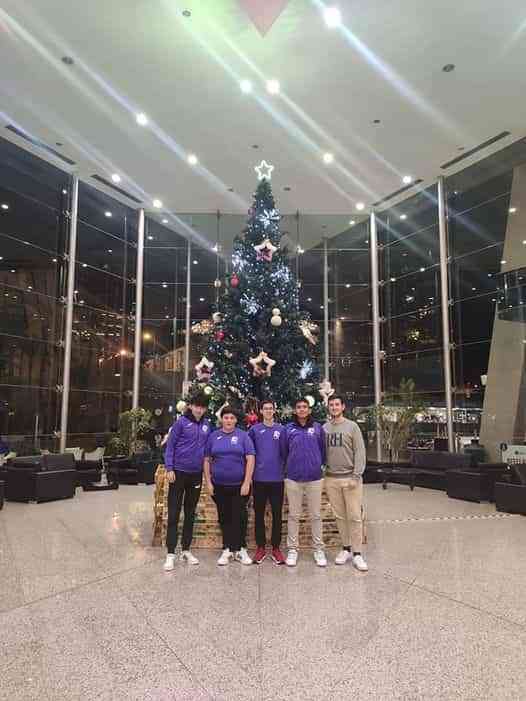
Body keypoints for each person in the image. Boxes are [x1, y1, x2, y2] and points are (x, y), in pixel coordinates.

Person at [163, 394, 211, 571]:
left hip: (195, 475)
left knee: (190, 513)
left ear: (205, 409)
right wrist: (169, 468)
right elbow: (170, 446)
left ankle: (186, 550)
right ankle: (170, 553)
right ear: (190, 406)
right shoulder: (181, 423)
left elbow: (208, 450)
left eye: (202, 407)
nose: (199, 410)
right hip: (178, 473)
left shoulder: (207, 425)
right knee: (174, 513)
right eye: (196, 406)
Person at [204, 406, 255, 566]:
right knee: (224, 517)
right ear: (222, 419)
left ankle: (240, 549)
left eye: (232, 418)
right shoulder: (213, 436)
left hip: (239, 486)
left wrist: (246, 482)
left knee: (240, 517)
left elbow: (250, 459)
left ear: (236, 420)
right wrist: (208, 482)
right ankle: (227, 549)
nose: (229, 420)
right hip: (219, 485)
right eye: (226, 417)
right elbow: (207, 460)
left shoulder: (243, 436)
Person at [281, 398, 327, 567]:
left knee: (316, 515)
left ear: (309, 410)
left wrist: (318, 466)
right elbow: (283, 452)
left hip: (314, 478)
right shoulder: (288, 429)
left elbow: (323, 451)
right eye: (299, 407)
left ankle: (318, 549)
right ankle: (293, 549)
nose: (301, 409)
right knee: (294, 515)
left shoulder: (317, 428)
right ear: (295, 410)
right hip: (293, 478)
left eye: (304, 407)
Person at [324, 395, 368, 572]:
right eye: (331, 405)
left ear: (343, 407)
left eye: (337, 404)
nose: (334, 407)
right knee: (340, 516)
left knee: (354, 516)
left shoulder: (352, 427)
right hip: (331, 479)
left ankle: (357, 553)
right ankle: (346, 549)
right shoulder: (324, 428)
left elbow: (360, 452)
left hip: (350, 478)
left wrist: (356, 476)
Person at [248, 400, 286, 565]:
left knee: (277, 515)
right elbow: (249, 453)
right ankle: (261, 547)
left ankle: (276, 548)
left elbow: (285, 452)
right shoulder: (254, 430)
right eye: (266, 409)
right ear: (261, 411)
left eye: (271, 408)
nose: (269, 411)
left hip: (277, 479)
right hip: (259, 479)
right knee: (259, 514)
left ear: (274, 410)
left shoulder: (282, 430)